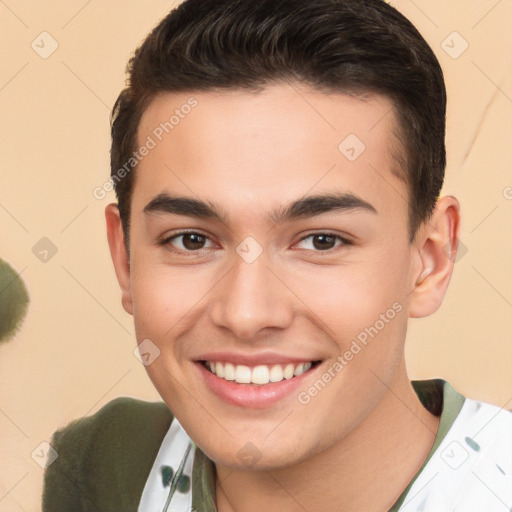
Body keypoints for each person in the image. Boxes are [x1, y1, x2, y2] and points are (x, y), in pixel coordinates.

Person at [42, 0, 512, 511]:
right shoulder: (102, 466)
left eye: (321, 241)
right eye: (192, 240)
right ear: (126, 258)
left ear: (430, 260)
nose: (246, 314)